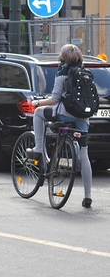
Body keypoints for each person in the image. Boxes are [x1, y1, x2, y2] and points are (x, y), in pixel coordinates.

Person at [27, 44, 93, 208]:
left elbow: (54, 99)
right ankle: (88, 196)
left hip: (64, 113)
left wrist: (37, 102)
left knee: (39, 113)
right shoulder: (84, 72)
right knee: (84, 155)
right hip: (83, 118)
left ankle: (38, 149)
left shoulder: (63, 72)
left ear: (63, 58)